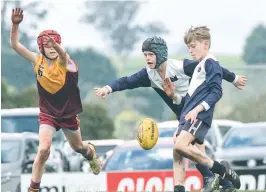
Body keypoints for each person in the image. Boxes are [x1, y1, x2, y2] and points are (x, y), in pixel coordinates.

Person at [94, 36, 246, 191]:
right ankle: (224, 183)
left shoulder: (180, 66)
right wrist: (108, 88)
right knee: (184, 149)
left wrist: (233, 78)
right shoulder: (149, 74)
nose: (147, 58)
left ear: (160, 54)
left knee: (182, 146)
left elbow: (213, 68)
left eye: (150, 54)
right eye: (145, 54)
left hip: (195, 110)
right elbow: (126, 81)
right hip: (182, 113)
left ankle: (215, 176)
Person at [10, 8, 101, 192]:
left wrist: (57, 46)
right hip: (48, 113)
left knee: (78, 148)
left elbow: (63, 54)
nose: (51, 49)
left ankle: (91, 154)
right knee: (43, 149)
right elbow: (15, 45)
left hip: (68, 114)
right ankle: (33, 188)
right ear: (41, 48)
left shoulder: (64, 61)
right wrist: (15, 25)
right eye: (48, 46)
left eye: (54, 45)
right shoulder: (37, 61)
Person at [172, 26, 241, 192]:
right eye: (188, 47)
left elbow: (217, 91)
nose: (190, 50)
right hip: (188, 115)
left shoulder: (211, 62)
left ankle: (221, 171)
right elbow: (193, 95)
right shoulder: (200, 65)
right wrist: (175, 96)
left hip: (199, 115)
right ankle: (180, 188)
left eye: (193, 46)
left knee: (181, 145)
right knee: (177, 148)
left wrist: (198, 109)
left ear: (205, 43)